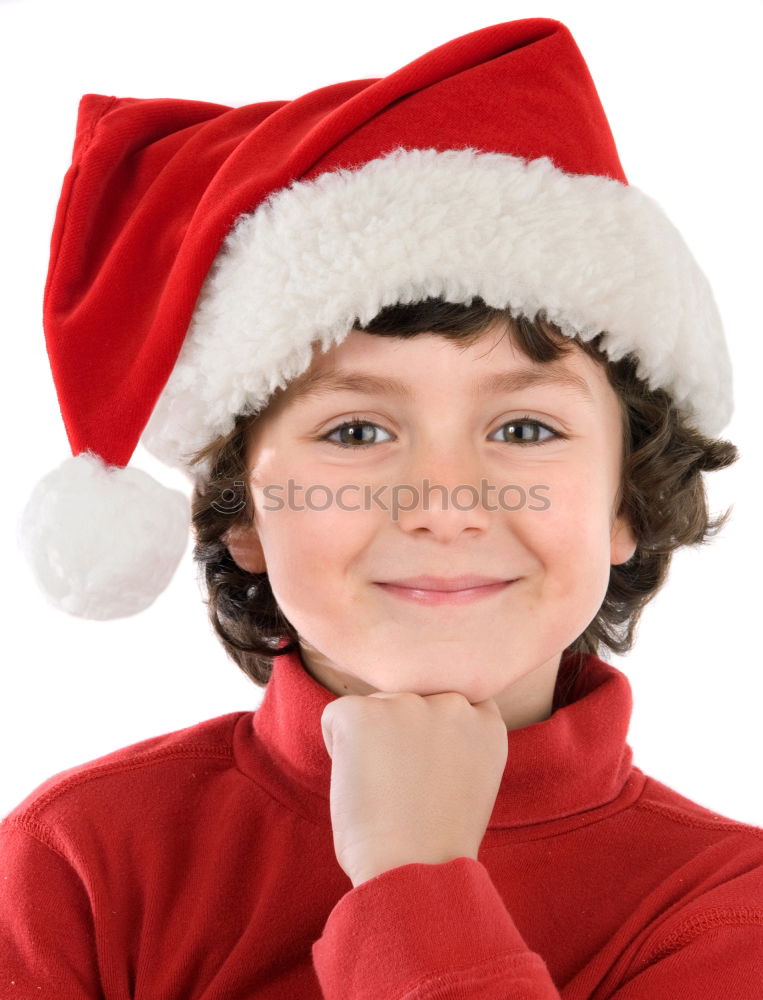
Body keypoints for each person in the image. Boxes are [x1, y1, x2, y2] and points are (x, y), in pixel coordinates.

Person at [3, 16, 761, 999]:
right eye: (357, 433)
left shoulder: (722, 911)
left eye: (524, 430)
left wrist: (414, 882)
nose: (443, 504)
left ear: (628, 498)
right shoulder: (78, 865)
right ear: (241, 509)